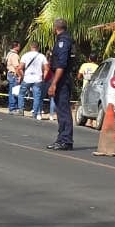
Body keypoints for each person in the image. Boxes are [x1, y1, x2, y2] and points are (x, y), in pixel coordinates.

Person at [46, 18, 76, 150]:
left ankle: (66, 140)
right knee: (60, 110)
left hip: (62, 79)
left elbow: (61, 65)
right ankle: (61, 138)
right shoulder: (66, 39)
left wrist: (54, 83)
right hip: (63, 78)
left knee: (63, 110)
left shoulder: (63, 41)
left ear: (55, 28)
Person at [18, 41, 47, 119]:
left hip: (27, 78)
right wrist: (43, 78)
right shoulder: (42, 56)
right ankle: (35, 113)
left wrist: (22, 76)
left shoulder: (25, 55)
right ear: (38, 47)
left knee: (21, 94)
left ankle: (21, 110)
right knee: (37, 97)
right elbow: (46, 69)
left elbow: (20, 68)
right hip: (38, 79)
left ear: (30, 47)